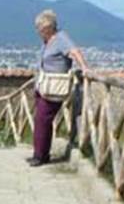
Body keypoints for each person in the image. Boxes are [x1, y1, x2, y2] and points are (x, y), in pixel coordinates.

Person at [31, 10, 89, 167]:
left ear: (48, 27)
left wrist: (84, 68)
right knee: (42, 120)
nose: (38, 32)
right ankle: (41, 153)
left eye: (40, 29)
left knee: (42, 119)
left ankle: (40, 156)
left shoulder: (61, 38)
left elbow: (74, 51)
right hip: (43, 85)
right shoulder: (47, 41)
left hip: (54, 87)